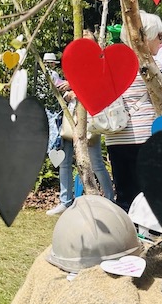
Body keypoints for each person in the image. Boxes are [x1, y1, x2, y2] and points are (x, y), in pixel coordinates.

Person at [104, 11, 162, 211]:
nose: (160, 42)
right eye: (158, 37)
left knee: (125, 195)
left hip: (116, 137)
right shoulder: (150, 66)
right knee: (148, 198)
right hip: (144, 137)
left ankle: (124, 236)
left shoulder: (112, 63)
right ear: (147, 37)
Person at [47, 68, 115, 216]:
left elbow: (97, 87)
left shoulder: (94, 67)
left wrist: (73, 88)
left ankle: (110, 199)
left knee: (96, 163)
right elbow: (68, 95)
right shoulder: (72, 68)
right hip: (69, 118)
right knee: (64, 162)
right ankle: (65, 201)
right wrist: (66, 93)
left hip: (88, 121)